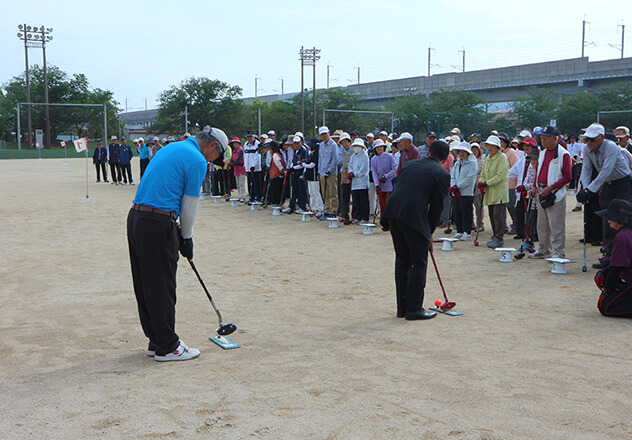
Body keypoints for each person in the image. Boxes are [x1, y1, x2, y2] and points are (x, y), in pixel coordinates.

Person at [127, 127, 228, 361]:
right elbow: (189, 206)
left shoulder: (173, 147)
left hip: (136, 218)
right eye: (217, 156)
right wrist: (187, 237)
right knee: (162, 284)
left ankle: (156, 339)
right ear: (212, 146)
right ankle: (167, 346)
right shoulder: (197, 160)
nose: (214, 161)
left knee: (146, 283)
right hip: (158, 222)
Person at [381, 140, 450, 320]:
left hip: (393, 213)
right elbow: (436, 208)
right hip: (412, 216)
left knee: (402, 261)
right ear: (445, 158)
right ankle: (413, 309)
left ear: (429, 151)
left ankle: (402, 308)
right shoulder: (442, 173)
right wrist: (430, 233)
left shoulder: (410, 165)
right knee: (419, 262)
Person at [577, 123, 632, 268]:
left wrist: (591, 190)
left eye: (591, 140)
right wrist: (585, 188)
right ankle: (608, 257)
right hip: (607, 185)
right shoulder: (587, 149)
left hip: (623, 185)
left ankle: (624, 256)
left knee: (623, 220)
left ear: (601, 138)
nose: (588, 143)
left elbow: (606, 170)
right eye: (586, 140)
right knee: (608, 222)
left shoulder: (611, 147)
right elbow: (586, 170)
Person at [527, 126, 571, 259]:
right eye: (542, 138)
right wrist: (535, 186)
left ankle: (558, 252)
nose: (543, 140)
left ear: (556, 138)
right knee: (542, 224)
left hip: (555, 193)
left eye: (546, 138)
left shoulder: (564, 154)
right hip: (541, 190)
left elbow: (568, 177)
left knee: (556, 225)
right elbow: (539, 171)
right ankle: (543, 249)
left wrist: (551, 188)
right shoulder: (542, 152)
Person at [595, 199, 632, 318]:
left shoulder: (622, 237)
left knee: (606, 307)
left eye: (611, 217)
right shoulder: (627, 232)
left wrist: (607, 289)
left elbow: (617, 267)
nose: (608, 220)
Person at [479, 135, 509, 248]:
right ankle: (495, 235)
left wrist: (486, 183)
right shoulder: (487, 159)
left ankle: (499, 238)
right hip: (490, 191)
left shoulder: (502, 157)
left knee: (497, 214)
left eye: (492, 145)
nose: (490, 147)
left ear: (497, 147)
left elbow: (500, 176)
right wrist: (482, 181)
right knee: (491, 214)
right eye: (488, 145)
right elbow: (482, 174)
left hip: (499, 192)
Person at [508, 137, 538, 240]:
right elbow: (510, 173)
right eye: (524, 146)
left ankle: (534, 234)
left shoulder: (538, 160)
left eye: (528, 146)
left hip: (533, 191)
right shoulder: (522, 161)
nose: (526, 148)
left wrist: (526, 187)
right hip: (522, 191)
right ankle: (521, 232)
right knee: (519, 212)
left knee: (533, 214)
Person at [450, 142, 477, 241]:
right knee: (457, 211)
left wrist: (458, 186)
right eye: (460, 152)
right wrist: (453, 186)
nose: (461, 154)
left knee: (466, 212)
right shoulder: (457, 163)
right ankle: (459, 230)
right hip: (456, 192)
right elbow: (452, 176)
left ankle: (467, 232)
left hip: (466, 192)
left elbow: (470, 178)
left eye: (464, 152)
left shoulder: (472, 163)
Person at [370, 139, 397, 217]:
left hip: (389, 182)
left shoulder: (389, 157)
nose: (379, 148)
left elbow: (394, 168)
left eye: (381, 146)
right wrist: (376, 184)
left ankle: (391, 218)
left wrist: (386, 176)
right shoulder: (373, 159)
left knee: (391, 202)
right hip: (381, 183)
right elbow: (374, 172)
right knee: (382, 203)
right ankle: (383, 218)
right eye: (377, 147)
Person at [318, 126, 340, 218]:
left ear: (329, 133)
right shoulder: (321, 145)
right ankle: (326, 209)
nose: (324, 136)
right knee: (325, 192)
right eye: (322, 134)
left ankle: (333, 210)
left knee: (332, 192)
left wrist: (329, 170)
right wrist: (320, 172)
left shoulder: (333, 145)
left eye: (325, 134)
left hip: (331, 173)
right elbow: (320, 159)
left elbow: (335, 160)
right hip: (322, 172)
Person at [348, 138, 370, 223]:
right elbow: (350, 165)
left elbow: (363, 170)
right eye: (355, 146)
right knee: (356, 200)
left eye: (358, 146)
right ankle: (357, 216)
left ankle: (364, 217)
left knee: (363, 200)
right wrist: (350, 172)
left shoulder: (365, 156)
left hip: (362, 181)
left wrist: (355, 174)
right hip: (355, 182)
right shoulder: (353, 156)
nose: (356, 148)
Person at [284, 136, 309, 214]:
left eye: (298, 143)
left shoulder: (303, 151)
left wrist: (294, 168)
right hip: (295, 173)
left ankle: (302, 206)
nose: (296, 145)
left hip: (301, 173)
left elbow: (303, 163)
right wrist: (291, 169)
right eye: (294, 143)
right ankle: (291, 206)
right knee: (294, 190)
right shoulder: (295, 151)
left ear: (301, 143)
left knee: (301, 191)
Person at [303, 137, 324, 214]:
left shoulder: (317, 154)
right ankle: (312, 208)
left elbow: (312, 165)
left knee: (316, 193)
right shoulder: (310, 154)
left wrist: (303, 164)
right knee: (311, 193)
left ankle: (320, 208)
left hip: (314, 176)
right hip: (309, 176)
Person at [338, 133, 354, 223]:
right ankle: (344, 214)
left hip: (351, 174)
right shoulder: (343, 151)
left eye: (345, 142)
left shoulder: (353, 150)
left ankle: (354, 215)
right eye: (342, 142)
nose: (344, 144)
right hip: (344, 175)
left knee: (354, 197)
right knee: (344, 196)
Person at [470, 142, 485, 232]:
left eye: (476, 149)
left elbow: (483, 174)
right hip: (469, 187)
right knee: (469, 207)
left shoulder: (482, 162)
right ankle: (471, 224)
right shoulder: (468, 162)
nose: (474, 151)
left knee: (478, 206)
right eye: (472, 149)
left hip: (478, 188)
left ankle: (480, 224)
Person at [228, 137, 246, 202]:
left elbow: (239, 159)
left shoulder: (241, 150)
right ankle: (239, 195)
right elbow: (232, 158)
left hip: (241, 168)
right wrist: (230, 163)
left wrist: (233, 163)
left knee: (241, 183)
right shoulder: (234, 151)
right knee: (237, 183)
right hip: (236, 169)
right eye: (234, 143)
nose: (235, 145)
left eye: (236, 143)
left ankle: (242, 196)